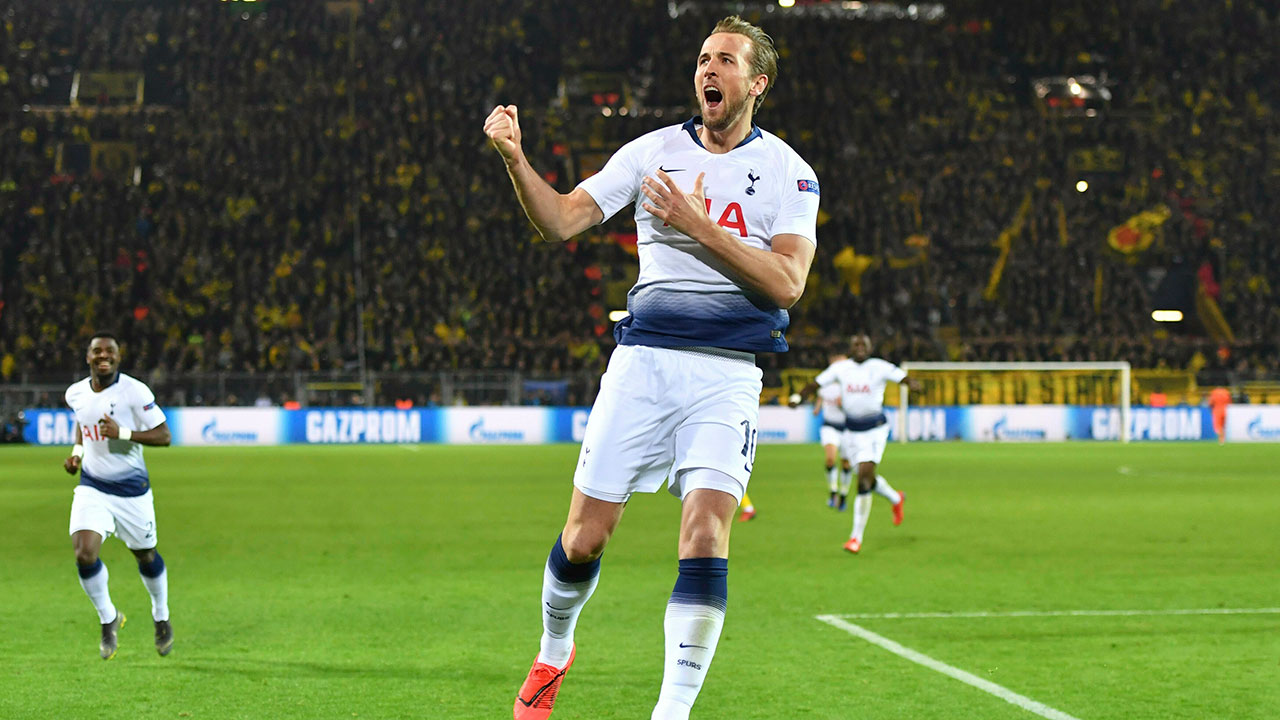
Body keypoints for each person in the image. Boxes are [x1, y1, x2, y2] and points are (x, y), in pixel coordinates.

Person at [485, 15, 819, 720]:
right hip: (643, 367)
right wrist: (517, 160)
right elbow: (562, 222)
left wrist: (701, 226)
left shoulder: (792, 173)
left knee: (705, 533)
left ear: (756, 82)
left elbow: (787, 284)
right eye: (703, 59)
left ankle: (671, 712)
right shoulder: (650, 153)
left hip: (727, 374)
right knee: (583, 539)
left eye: (725, 61)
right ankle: (554, 648)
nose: (708, 71)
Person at [62, 333, 173, 659]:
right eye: (97, 351)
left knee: (146, 555)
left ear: (118, 357)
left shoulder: (135, 392)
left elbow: (165, 436)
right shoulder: (76, 393)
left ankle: (161, 615)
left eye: (109, 351)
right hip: (93, 486)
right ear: (88, 358)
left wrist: (123, 432)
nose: (103, 356)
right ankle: (109, 618)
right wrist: (77, 453)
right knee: (84, 553)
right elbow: (84, 423)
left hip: (132, 492)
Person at [792, 334, 916, 553]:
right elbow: (816, 383)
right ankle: (896, 498)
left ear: (870, 347)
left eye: (864, 344)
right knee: (866, 478)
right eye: (856, 344)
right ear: (850, 348)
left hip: (874, 431)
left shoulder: (879, 366)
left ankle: (855, 538)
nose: (860, 348)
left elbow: (901, 377)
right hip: (850, 431)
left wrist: (913, 384)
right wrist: (799, 397)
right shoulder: (842, 369)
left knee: (863, 482)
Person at [813, 352, 851, 509]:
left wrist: (843, 405)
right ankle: (833, 492)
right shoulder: (824, 384)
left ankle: (843, 495)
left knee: (846, 464)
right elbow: (820, 399)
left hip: (848, 429)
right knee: (830, 459)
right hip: (829, 426)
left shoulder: (849, 385)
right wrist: (817, 407)